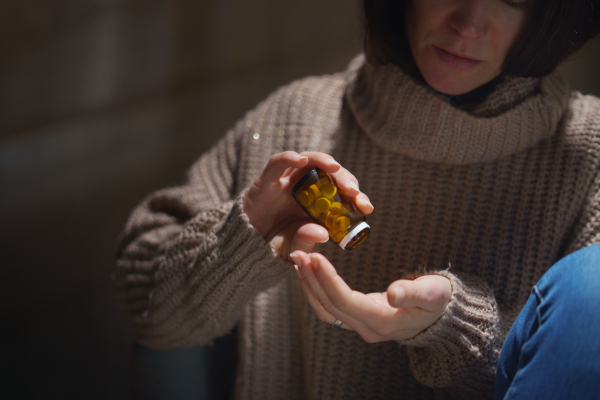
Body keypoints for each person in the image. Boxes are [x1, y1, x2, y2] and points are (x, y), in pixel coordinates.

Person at [112, 0, 600, 399]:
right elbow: (150, 319)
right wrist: (239, 238)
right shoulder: (297, 115)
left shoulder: (589, 150)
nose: (468, 23)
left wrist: (454, 329)